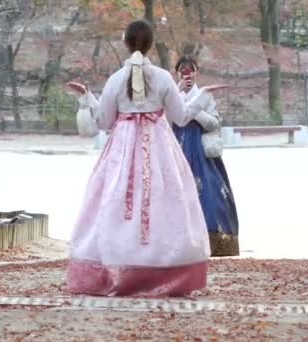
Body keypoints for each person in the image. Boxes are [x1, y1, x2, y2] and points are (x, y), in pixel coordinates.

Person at [67, 20, 224, 297]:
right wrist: (203, 97)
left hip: (122, 149)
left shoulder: (116, 79)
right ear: (151, 44)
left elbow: (104, 122)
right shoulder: (163, 77)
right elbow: (182, 117)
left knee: (118, 201)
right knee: (162, 201)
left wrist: (88, 99)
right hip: (159, 147)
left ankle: (115, 269)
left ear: (126, 43)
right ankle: (164, 270)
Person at [173, 56, 240, 257]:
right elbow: (164, 120)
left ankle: (213, 239)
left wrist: (193, 110)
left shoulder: (206, 95)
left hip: (200, 148)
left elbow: (213, 124)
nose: (188, 74)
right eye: (183, 71)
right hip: (176, 146)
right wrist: (179, 99)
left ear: (196, 72)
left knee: (209, 191)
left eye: (191, 70)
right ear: (177, 74)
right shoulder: (170, 95)